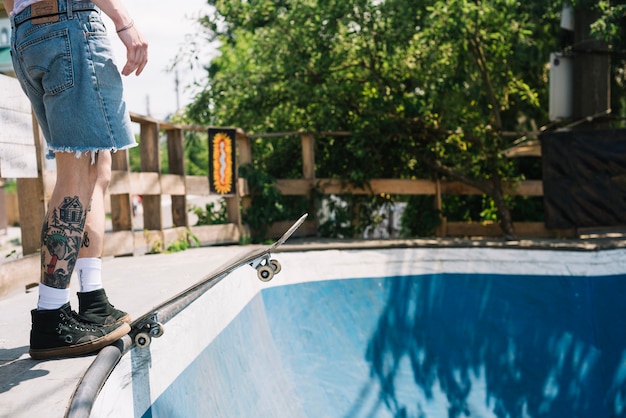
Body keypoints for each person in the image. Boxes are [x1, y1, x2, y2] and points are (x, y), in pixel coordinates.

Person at [3, 0, 148, 359]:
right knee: (76, 169)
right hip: (69, 24)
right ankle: (51, 316)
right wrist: (123, 21)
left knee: (95, 167)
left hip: (29, 31)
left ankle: (92, 299)